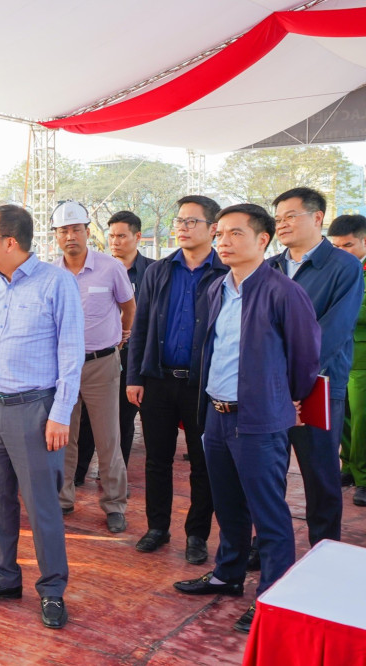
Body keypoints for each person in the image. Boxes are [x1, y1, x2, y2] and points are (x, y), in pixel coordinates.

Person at [174, 203, 320, 634]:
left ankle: (272, 596)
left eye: (236, 233)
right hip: (216, 415)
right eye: (220, 233)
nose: (224, 241)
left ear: (262, 240)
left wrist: (283, 399)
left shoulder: (283, 292)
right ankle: (228, 573)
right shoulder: (217, 288)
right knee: (228, 504)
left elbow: (305, 358)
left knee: (268, 512)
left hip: (258, 420)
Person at [0, 204, 83, 630]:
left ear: (10, 242)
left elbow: (71, 353)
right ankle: (4, 577)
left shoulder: (56, 283)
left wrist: (60, 414)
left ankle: (52, 590)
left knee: (42, 506)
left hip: (36, 410)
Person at [126, 196, 226, 565]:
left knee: (203, 462)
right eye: (179, 221)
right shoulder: (159, 271)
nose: (182, 227)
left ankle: (197, 534)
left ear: (212, 229)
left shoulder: (224, 272)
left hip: (203, 385)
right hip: (158, 380)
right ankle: (157, 527)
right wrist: (134, 377)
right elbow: (140, 328)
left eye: (191, 221)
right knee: (157, 459)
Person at [266, 187, 363, 546]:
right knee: (268, 471)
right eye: (278, 219)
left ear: (317, 217)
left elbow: (334, 330)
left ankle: (324, 548)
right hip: (271, 387)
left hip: (317, 386)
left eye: (290, 216)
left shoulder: (343, 266)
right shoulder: (271, 266)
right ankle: (268, 544)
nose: (282, 224)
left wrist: (293, 380)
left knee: (320, 473)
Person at [52, 201, 134, 533]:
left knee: (107, 438)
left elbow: (129, 306)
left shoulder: (110, 268)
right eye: (63, 231)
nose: (70, 236)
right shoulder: (51, 274)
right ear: (56, 236)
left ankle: (114, 504)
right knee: (63, 435)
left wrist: (122, 335)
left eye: (76, 229)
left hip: (102, 364)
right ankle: (62, 499)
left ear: (87, 232)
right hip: (63, 368)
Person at [74, 211, 154, 486]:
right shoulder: (100, 269)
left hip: (134, 356)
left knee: (121, 419)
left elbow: (139, 311)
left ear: (137, 237)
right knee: (85, 419)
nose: (115, 241)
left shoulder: (153, 271)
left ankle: (112, 479)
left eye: (122, 236)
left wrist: (126, 334)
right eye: (111, 236)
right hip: (101, 355)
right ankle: (78, 473)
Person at [328, 214, 366, 507]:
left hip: (362, 359)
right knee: (343, 418)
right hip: (340, 356)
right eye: (336, 246)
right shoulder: (336, 269)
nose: (341, 251)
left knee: (363, 421)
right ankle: (350, 468)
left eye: (348, 245)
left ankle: (364, 478)